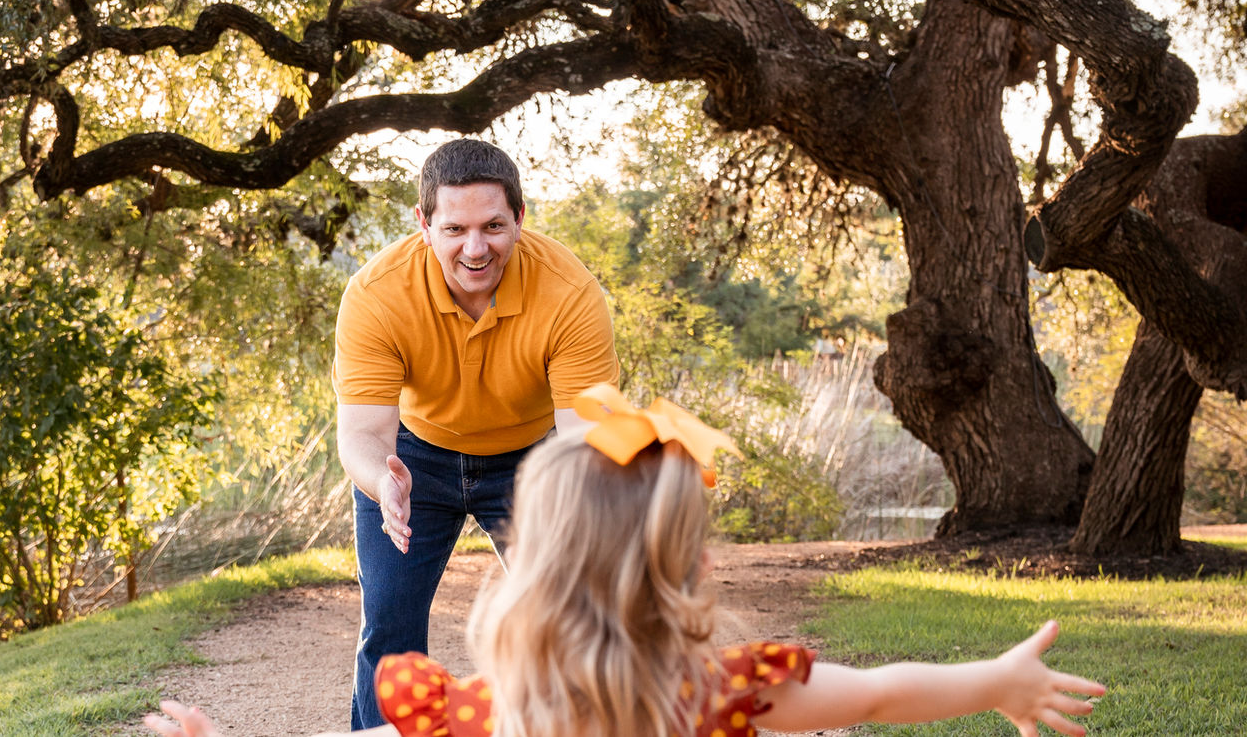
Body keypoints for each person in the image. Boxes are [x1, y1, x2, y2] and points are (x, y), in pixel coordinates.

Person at [145, 386, 1107, 737]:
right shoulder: (723, 693)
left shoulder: (492, 712)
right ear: (681, 568)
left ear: (535, 563)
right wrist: (997, 680)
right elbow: (885, 693)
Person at [330, 139, 620, 729]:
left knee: (576, 614)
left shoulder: (569, 292)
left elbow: (584, 437)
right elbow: (362, 431)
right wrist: (381, 483)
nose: (475, 247)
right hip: (411, 462)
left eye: (493, 225)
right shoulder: (376, 294)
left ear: (519, 217)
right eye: (455, 228)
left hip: (533, 461)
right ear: (423, 223)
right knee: (390, 623)